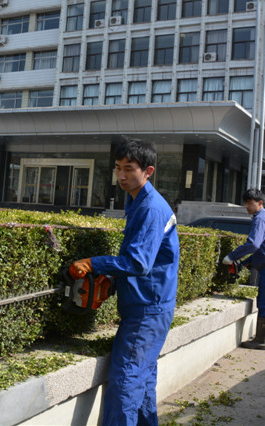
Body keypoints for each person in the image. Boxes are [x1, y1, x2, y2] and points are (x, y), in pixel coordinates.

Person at [71, 138, 179, 426]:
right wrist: (112, 282)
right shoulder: (137, 201)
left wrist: (94, 263)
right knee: (142, 385)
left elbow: (138, 263)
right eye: (118, 168)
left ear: (148, 171)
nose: (121, 175)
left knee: (124, 382)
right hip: (147, 305)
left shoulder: (150, 208)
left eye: (129, 169)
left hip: (147, 310)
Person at [223, 188, 265, 350]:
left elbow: (253, 244)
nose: (246, 206)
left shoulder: (261, 218)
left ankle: (261, 341)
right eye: (245, 203)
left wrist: (231, 256)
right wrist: (244, 263)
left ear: (260, 203)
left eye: (249, 203)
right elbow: (262, 248)